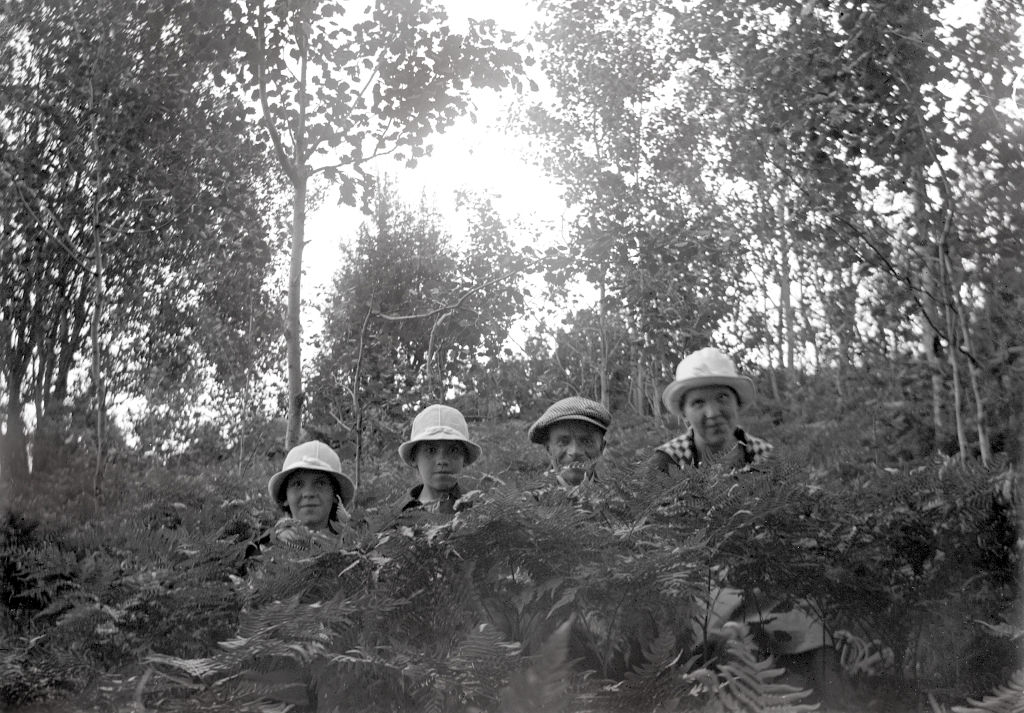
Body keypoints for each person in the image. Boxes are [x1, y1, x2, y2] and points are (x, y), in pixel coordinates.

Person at [649, 346, 772, 474]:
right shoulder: (666, 461)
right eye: (698, 402)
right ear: (684, 412)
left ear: (737, 402)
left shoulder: (765, 456)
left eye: (722, 397)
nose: (712, 413)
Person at [265, 440, 357, 549]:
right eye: (298, 484)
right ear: (285, 497)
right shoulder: (261, 551)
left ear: (335, 496)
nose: (308, 494)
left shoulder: (355, 549)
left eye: (320, 483)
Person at [398, 404, 482, 515]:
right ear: (414, 458)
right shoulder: (393, 515)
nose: (442, 460)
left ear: (465, 458)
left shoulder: (479, 510)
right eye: (431, 450)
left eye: (453, 450)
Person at [527, 396, 612, 487]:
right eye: (563, 442)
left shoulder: (621, 498)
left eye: (587, 441)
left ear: (601, 448)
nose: (575, 451)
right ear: (548, 449)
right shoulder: (526, 500)